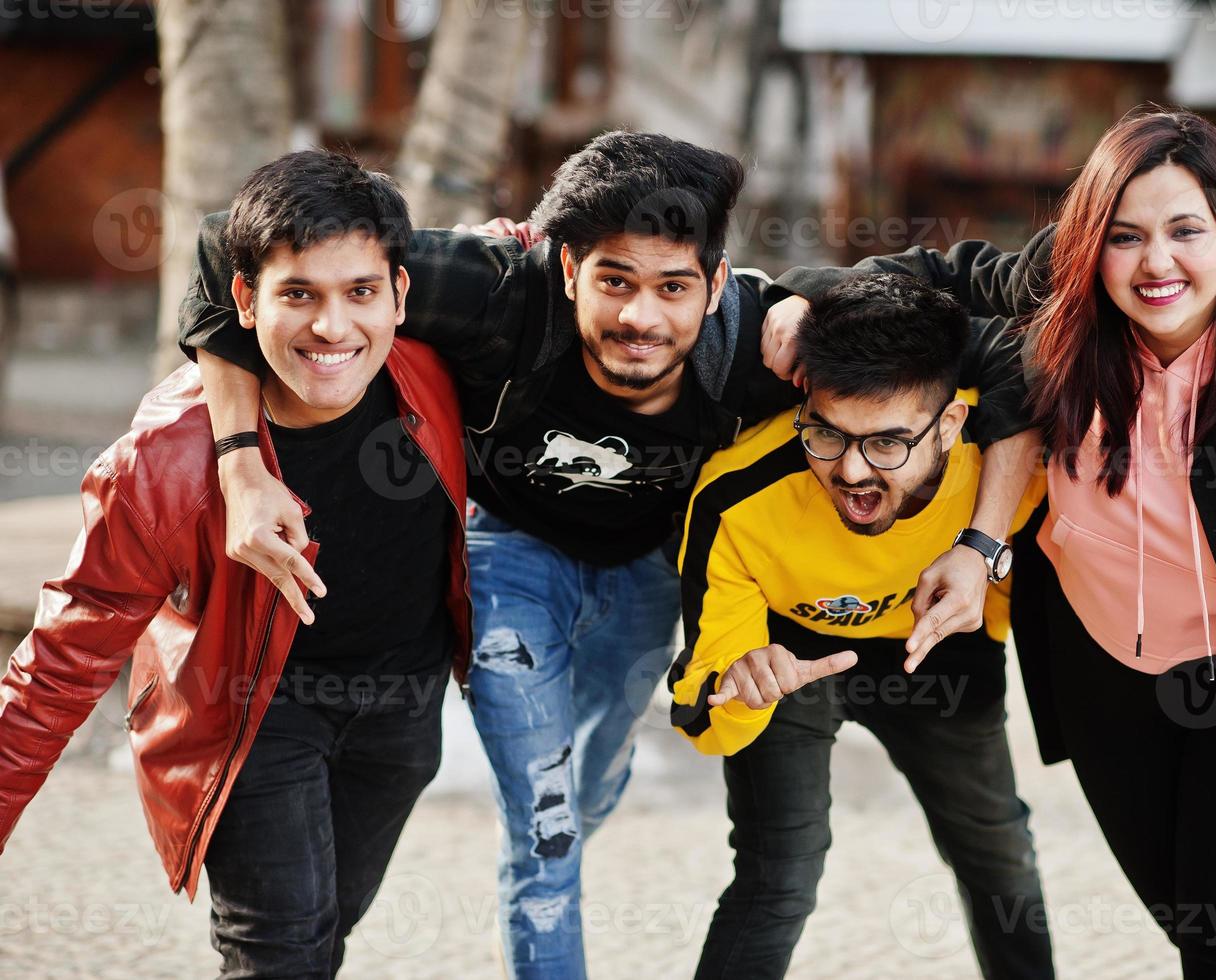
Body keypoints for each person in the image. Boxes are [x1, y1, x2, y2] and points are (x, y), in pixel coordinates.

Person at [177, 131, 1042, 979]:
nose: (640, 316)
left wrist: (806, 297)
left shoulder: (756, 340)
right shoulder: (498, 290)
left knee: (581, 797)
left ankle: (540, 876)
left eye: (673, 286)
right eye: (614, 281)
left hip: (643, 580)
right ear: (565, 268)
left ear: (713, 285)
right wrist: (241, 461)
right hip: (510, 557)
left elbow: (981, 342)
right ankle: (538, 895)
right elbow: (227, 245)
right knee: (547, 827)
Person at [763, 107, 1216, 979]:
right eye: (1125, 237)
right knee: (1190, 923)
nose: (1156, 262)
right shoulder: (1058, 307)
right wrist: (802, 295)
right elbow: (930, 275)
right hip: (1105, 680)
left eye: (1184, 230)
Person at [0, 149, 471, 977]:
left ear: (400, 294)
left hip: (402, 706)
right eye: (298, 295)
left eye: (359, 292)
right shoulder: (162, 461)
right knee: (278, 951)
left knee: (327, 933)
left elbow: (585, 257)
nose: (332, 327)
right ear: (245, 300)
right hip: (251, 710)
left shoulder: (433, 368)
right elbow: (58, 665)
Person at [671, 273, 1054, 979]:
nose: (850, 471)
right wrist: (739, 684)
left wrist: (988, 591)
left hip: (935, 649)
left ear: (948, 425)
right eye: (826, 434)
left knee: (996, 851)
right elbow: (701, 703)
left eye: (885, 443)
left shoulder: (1005, 464)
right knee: (778, 875)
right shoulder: (736, 499)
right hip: (792, 655)